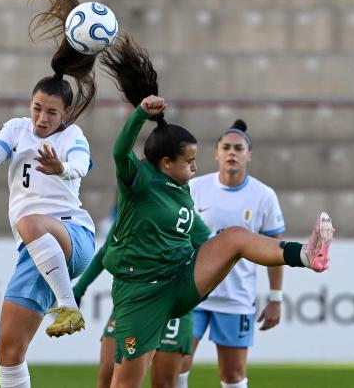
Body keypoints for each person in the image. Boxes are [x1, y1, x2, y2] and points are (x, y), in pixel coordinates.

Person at [99, 35, 333, 388]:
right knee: (126, 383)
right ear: (165, 163)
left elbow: (203, 238)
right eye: (189, 161)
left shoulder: (183, 190)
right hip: (141, 293)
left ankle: (306, 252)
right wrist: (137, 116)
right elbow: (119, 153)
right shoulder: (140, 182)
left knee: (235, 237)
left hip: (178, 279)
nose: (195, 167)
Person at [0, 0, 98, 388]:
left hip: (72, 237)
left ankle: (68, 305)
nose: (42, 118)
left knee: (30, 219)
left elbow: (81, 167)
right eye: (37, 108)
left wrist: (60, 168)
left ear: (65, 114)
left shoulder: (71, 138)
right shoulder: (16, 129)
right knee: (8, 351)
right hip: (36, 249)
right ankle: (65, 306)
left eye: (51, 113)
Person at [178, 120, 286, 388]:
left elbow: (275, 250)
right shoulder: (194, 188)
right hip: (193, 294)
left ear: (248, 155)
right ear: (216, 153)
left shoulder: (263, 196)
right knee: (176, 366)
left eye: (238, 148)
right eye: (226, 147)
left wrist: (275, 298)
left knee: (233, 376)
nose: (232, 153)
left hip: (236, 298)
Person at [73, 215, 210, 388]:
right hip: (131, 301)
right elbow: (105, 252)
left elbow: (210, 248)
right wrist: (78, 291)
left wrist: (193, 291)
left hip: (170, 306)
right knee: (108, 373)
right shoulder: (130, 208)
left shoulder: (179, 210)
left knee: (163, 383)